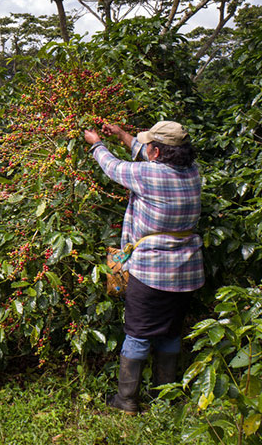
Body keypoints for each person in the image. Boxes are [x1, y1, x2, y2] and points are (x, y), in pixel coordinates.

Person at [84, 121, 203, 415]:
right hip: (186, 271)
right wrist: (124, 136)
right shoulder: (192, 172)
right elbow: (147, 157)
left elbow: (113, 168)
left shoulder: (149, 173)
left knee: (137, 332)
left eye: (149, 145)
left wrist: (96, 143)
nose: (146, 148)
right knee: (170, 333)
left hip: (152, 271)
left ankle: (126, 400)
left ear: (157, 151)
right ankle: (166, 395)